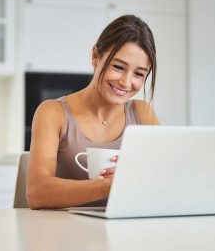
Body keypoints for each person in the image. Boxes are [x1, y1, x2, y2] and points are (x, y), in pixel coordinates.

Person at [27, 14, 160, 209]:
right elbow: (37, 193)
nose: (125, 82)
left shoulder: (143, 114)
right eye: (118, 66)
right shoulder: (52, 113)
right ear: (95, 56)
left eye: (139, 74)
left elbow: (165, 177)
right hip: (63, 232)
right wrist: (108, 185)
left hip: (126, 230)